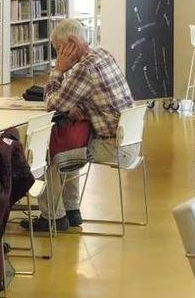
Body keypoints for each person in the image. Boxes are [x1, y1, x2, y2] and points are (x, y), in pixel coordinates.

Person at [20, 19, 135, 232]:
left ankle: (54, 217)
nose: (58, 55)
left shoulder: (85, 68)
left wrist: (57, 70)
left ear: (70, 43)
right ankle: (71, 210)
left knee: (48, 153)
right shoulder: (102, 55)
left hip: (112, 147)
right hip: (128, 141)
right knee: (69, 145)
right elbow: (82, 96)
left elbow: (53, 104)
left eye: (58, 48)